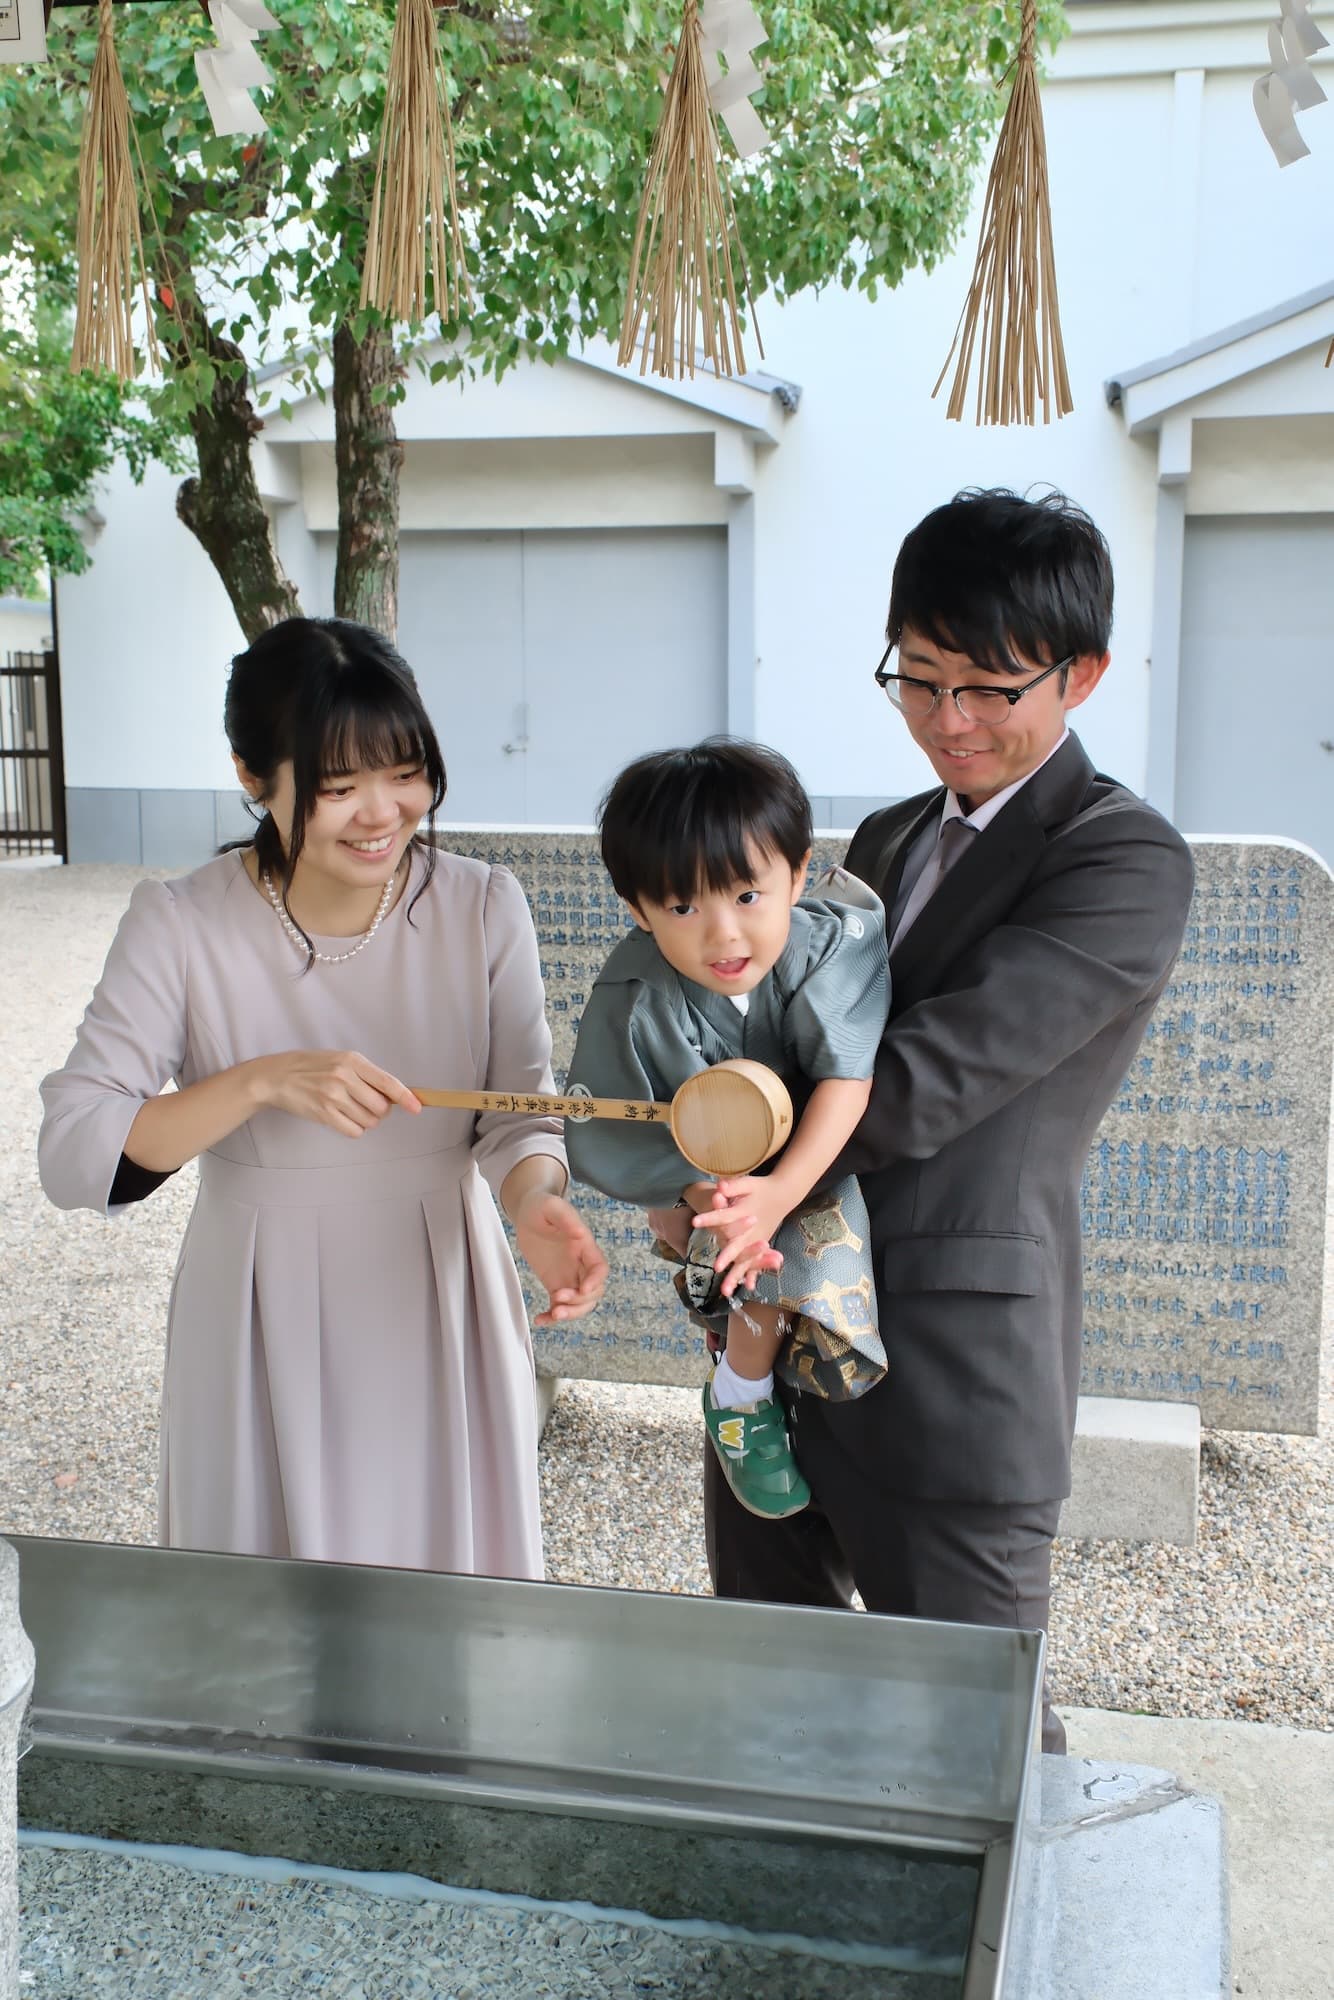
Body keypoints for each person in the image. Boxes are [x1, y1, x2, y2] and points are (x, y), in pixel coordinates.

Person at [701, 489, 1195, 1755]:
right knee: (779, 1704)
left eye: (988, 686)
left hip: (953, 1370)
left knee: (976, 1751)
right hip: (782, 1334)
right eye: (917, 681)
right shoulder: (888, 832)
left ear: (1078, 675)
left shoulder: (1120, 856)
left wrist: (719, 1125)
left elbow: (930, 1070)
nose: (948, 720)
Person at [38, 617, 606, 1577]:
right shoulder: (180, 923)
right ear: (253, 777)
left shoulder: (479, 904)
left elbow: (519, 1112)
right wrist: (259, 1080)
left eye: (405, 774)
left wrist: (537, 1203)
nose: (381, 813)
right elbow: (74, 1153)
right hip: (259, 1296)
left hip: (440, 1283)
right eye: (339, 787)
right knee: (265, 1612)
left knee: (446, 1596)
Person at [564, 739, 889, 1521]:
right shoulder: (635, 990)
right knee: (719, 1240)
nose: (723, 936)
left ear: (798, 874)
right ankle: (741, 1395)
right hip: (700, 1154)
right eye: (682, 907)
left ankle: (739, 1385)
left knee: (793, 1227)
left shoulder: (830, 946)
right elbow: (618, 1111)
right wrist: (693, 1193)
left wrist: (776, 1192)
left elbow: (847, 1078)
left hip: (808, 1143)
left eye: (748, 896)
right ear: (638, 907)